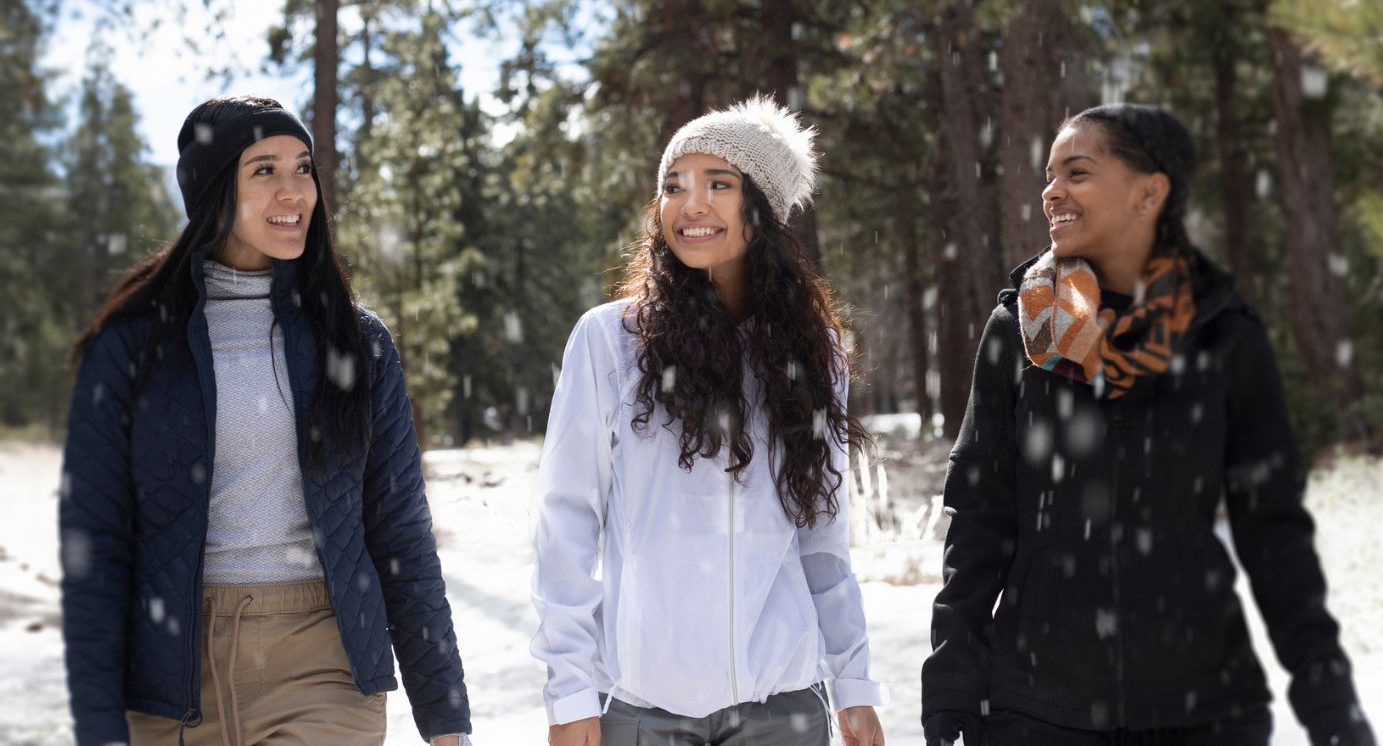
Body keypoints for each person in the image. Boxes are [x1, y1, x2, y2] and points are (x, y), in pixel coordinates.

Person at [920, 104, 1376, 746]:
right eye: (1049, 175)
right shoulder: (1021, 332)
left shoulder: (1221, 333)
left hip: (1204, 710)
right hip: (1039, 709)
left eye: (1077, 173)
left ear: (1149, 192)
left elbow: (1274, 534)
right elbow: (980, 520)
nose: (1052, 192)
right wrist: (951, 686)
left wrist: (1329, 702)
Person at [59, 96, 471, 746]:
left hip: (322, 658)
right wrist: (99, 724)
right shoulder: (134, 349)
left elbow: (400, 539)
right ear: (215, 192)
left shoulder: (358, 346)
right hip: (169, 671)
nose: (293, 190)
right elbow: (98, 547)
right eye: (264, 170)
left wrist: (446, 718)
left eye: (302, 168)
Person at [531, 95, 886, 746]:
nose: (689, 205)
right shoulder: (610, 342)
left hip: (783, 705)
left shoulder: (813, 351)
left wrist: (854, 683)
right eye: (673, 186)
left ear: (764, 210)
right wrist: (569, 691)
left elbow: (822, 542)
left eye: (718, 184)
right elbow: (566, 528)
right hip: (643, 709)